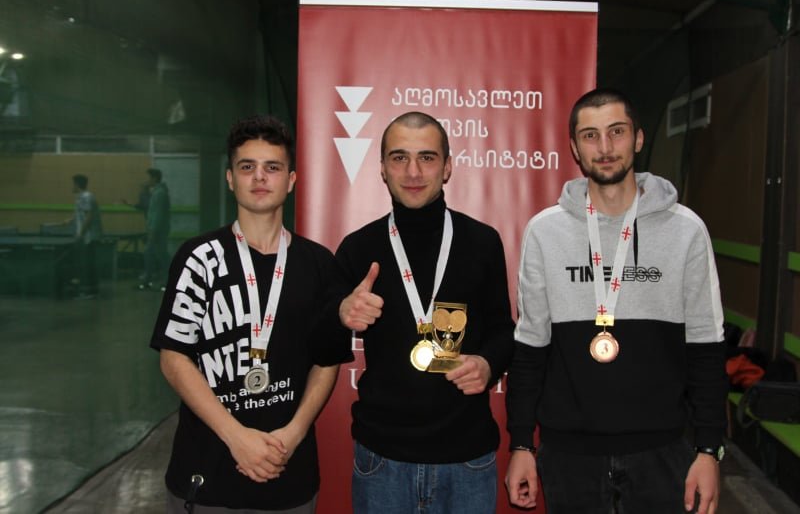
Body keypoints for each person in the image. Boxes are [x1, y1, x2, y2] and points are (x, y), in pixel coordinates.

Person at [504, 88, 728, 514]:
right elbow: (530, 349)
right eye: (590, 136)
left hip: (664, 450)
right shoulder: (544, 232)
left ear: (638, 139)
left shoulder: (686, 230)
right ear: (575, 148)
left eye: (617, 132)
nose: (605, 147)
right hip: (568, 454)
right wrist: (521, 444)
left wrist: (708, 449)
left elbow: (706, 347)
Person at [150, 115, 352, 513]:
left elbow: (326, 361)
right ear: (230, 178)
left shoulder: (318, 264)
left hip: (288, 476)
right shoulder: (198, 257)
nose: (259, 177)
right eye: (247, 167)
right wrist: (236, 437)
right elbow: (174, 358)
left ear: (291, 181)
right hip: (206, 477)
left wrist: (293, 434)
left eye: (272, 167)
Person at [337, 111, 515, 513]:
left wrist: (487, 364)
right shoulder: (358, 247)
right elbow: (321, 344)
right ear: (382, 168)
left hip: (467, 461)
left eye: (427, 158)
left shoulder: (482, 241)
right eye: (399, 158)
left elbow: (504, 331)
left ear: (447, 167)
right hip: (382, 461)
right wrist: (340, 313)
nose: (413, 171)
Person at [136, 168, 171, 290]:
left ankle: (158, 280)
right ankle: (150, 279)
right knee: (156, 254)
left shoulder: (159, 194)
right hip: (158, 229)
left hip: (157, 230)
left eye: (149, 178)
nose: (147, 180)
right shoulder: (157, 192)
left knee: (157, 255)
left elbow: (157, 214)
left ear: (154, 178)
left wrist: (152, 231)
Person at [69, 174, 102, 298]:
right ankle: (91, 290)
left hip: (89, 236)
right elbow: (81, 214)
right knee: (88, 263)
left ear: (77, 184)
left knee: (87, 264)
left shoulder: (86, 197)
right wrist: (69, 220)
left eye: (73, 184)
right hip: (87, 236)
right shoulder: (82, 197)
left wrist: (81, 233)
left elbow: (89, 216)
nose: (72, 186)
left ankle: (89, 291)